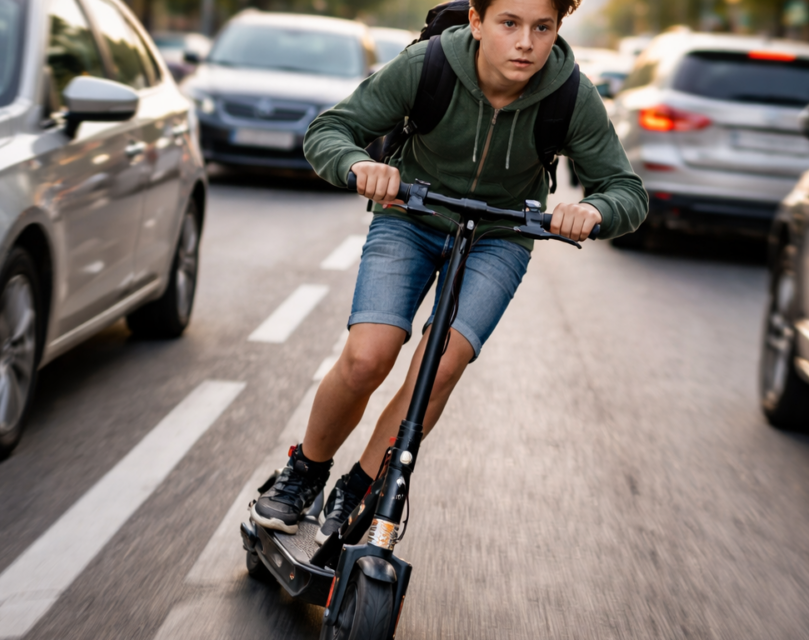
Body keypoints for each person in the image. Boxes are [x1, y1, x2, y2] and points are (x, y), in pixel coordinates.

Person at [252, 0, 646, 541]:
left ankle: (360, 485)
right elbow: (330, 130)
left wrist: (596, 210)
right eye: (509, 24)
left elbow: (628, 191)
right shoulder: (426, 66)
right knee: (369, 357)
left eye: (542, 28)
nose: (527, 43)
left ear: (557, 28)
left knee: (438, 367)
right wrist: (359, 164)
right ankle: (305, 471)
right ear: (478, 21)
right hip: (409, 218)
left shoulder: (570, 95)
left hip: (500, 238)